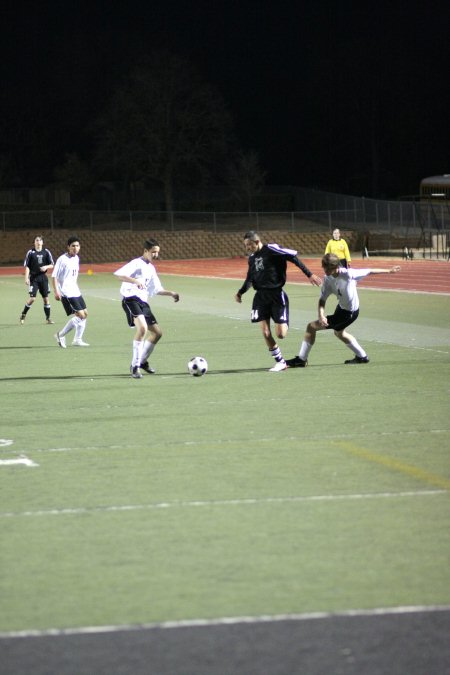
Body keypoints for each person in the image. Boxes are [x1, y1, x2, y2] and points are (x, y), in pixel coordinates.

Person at [286, 253, 401, 368]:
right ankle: (362, 357)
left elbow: (369, 271)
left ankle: (301, 360)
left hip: (349, 313)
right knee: (339, 333)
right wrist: (321, 315)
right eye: (324, 267)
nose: (325, 270)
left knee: (311, 327)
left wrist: (389, 271)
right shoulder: (328, 279)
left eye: (328, 268)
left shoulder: (349, 274)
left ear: (336, 267)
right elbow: (322, 300)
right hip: (341, 309)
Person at [234, 231, 321, 372]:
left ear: (257, 242)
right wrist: (240, 292)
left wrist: (309, 274)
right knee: (266, 332)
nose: (247, 248)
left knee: (281, 334)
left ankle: (284, 319)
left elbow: (293, 257)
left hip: (276, 295)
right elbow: (250, 278)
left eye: (249, 245)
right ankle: (280, 362)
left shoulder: (272, 249)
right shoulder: (251, 258)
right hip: (260, 297)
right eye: (245, 245)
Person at [113, 239, 180, 379]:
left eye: (157, 252)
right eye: (153, 252)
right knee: (142, 329)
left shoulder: (151, 268)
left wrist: (171, 293)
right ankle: (135, 366)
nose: (155, 255)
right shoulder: (136, 263)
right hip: (130, 299)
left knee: (157, 333)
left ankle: (142, 361)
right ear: (145, 251)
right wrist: (135, 281)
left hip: (143, 302)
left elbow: (157, 289)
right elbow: (119, 275)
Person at [51, 236, 89, 348]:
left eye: (77, 246)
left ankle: (77, 340)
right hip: (66, 292)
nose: (75, 248)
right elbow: (54, 276)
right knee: (80, 315)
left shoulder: (76, 258)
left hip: (75, 290)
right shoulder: (62, 259)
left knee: (85, 314)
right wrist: (56, 291)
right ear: (68, 247)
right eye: (73, 246)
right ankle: (60, 335)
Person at [19, 235, 55, 324]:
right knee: (32, 299)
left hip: (43, 278)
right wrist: (26, 278)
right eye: (37, 240)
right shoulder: (31, 253)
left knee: (46, 299)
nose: (38, 242)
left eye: (40, 240)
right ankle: (23, 314)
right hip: (34, 278)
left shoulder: (46, 252)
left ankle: (48, 318)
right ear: (34, 242)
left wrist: (46, 266)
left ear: (42, 243)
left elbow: (52, 264)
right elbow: (27, 266)